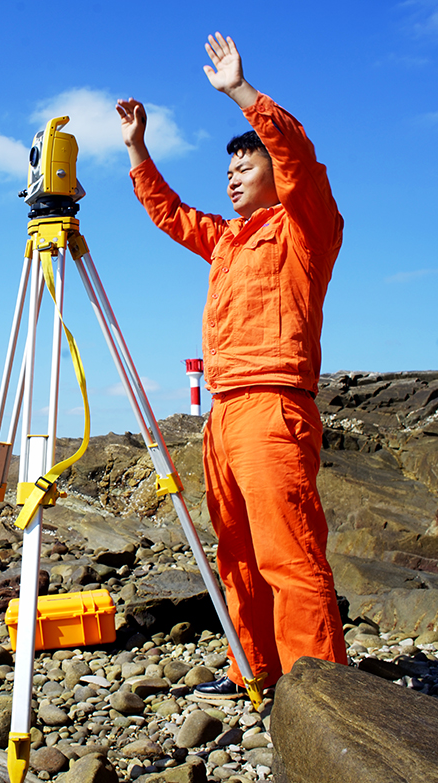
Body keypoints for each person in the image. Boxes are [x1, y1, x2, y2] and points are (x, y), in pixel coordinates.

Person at [117, 32, 348, 701]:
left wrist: (241, 93)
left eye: (247, 163)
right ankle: (254, 667)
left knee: (290, 555)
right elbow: (169, 213)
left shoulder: (306, 227)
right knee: (238, 556)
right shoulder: (227, 239)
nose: (233, 173)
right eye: (229, 168)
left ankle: (325, 697)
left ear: (276, 176)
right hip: (222, 415)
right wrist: (137, 148)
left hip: (273, 406)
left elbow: (298, 155)